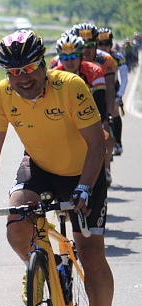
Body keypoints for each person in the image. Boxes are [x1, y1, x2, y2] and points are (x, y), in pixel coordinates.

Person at [0, 30, 115, 306]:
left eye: (29, 69)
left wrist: (84, 188)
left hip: (85, 169)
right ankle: (37, 265)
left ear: (42, 65)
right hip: (40, 167)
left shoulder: (70, 86)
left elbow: (97, 145)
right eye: (14, 72)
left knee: (91, 253)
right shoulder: (2, 95)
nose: (22, 78)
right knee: (16, 224)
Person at [71, 22, 117, 185]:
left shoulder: (105, 60)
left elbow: (110, 89)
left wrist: (109, 113)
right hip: (75, 103)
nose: (86, 50)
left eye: (91, 45)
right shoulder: (66, 60)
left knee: (107, 132)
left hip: (100, 97)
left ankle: (105, 167)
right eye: (83, 45)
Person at [97, 27, 128, 156]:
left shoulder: (117, 57)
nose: (104, 47)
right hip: (98, 88)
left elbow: (124, 78)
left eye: (107, 44)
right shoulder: (93, 56)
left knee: (114, 113)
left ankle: (118, 143)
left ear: (111, 44)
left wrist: (119, 96)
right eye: (101, 44)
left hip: (113, 88)